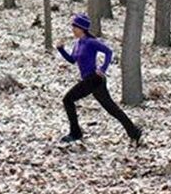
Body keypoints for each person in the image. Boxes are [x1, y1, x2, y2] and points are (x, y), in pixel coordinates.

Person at [56, 13, 141, 145]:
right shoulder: (78, 43)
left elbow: (108, 52)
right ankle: (134, 132)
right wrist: (61, 49)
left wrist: (102, 69)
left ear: (82, 28)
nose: (72, 29)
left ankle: (75, 133)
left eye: (75, 27)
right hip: (91, 80)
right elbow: (72, 60)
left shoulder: (91, 42)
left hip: (94, 79)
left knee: (68, 99)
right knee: (111, 108)